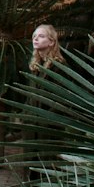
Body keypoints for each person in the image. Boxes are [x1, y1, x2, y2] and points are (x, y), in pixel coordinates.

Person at [20, 23, 67, 177]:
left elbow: (63, 100)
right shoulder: (35, 66)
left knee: (47, 172)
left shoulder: (60, 68)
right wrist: (25, 116)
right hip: (32, 129)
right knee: (31, 173)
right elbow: (30, 96)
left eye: (41, 36)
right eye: (34, 36)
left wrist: (48, 121)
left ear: (52, 41)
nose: (36, 39)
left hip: (48, 132)